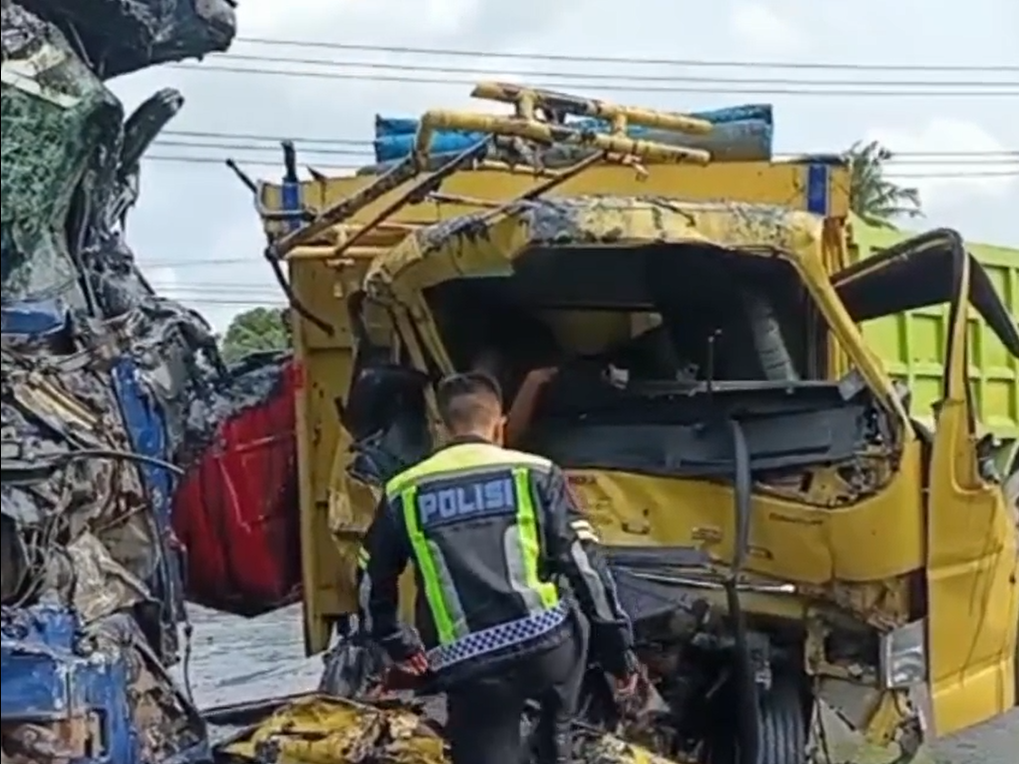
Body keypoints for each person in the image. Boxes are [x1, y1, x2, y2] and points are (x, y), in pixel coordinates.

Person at [357, 371, 637, 764]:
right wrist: (618, 653)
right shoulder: (537, 473)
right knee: (559, 706)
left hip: (468, 660)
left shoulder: (403, 491)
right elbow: (584, 566)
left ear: (440, 427)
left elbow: (372, 580)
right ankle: (555, 740)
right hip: (547, 643)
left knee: (485, 743)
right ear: (500, 424)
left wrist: (397, 644)